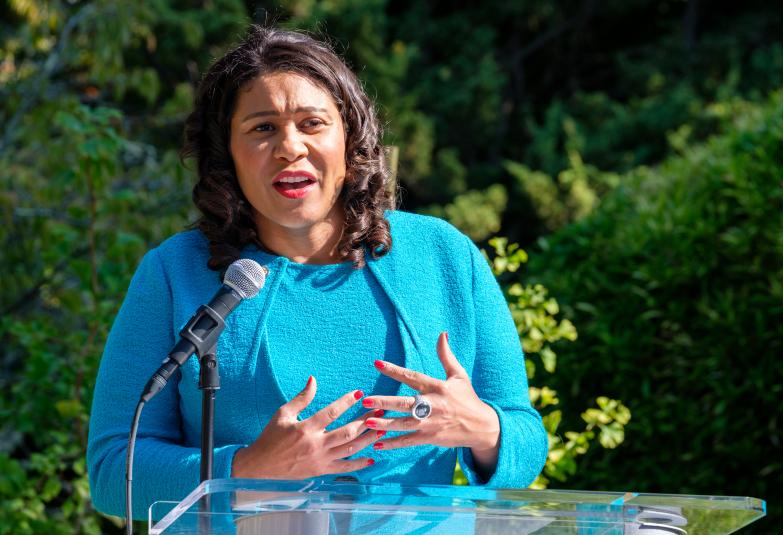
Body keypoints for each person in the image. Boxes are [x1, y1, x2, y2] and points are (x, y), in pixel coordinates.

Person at [86, 25, 547, 518]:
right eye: (262, 128)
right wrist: (243, 471)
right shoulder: (174, 272)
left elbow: (525, 444)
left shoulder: (443, 256)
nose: (290, 146)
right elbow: (115, 471)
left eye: (312, 123)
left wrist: (484, 429)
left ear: (349, 139)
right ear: (228, 155)